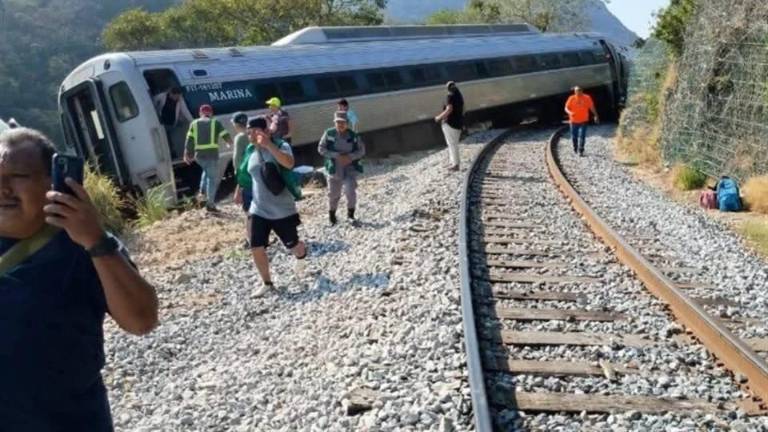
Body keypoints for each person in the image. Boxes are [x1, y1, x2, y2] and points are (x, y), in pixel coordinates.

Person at [0, 128, 158, 430]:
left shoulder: (83, 243)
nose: (2, 188)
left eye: (18, 176)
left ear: (54, 182)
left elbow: (142, 320)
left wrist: (95, 240)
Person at [245, 116, 307, 296]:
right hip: (258, 208)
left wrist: (268, 145)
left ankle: (301, 256)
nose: (250, 136)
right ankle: (267, 283)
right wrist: (240, 189)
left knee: (293, 245)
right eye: (248, 133)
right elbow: (248, 173)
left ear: (264, 131)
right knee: (256, 245)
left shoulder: (280, 145)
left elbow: (289, 163)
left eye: (253, 132)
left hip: (282, 209)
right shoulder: (250, 150)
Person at [318, 111, 365, 226]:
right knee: (333, 194)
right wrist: (336, 156)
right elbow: (321, 149)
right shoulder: (329, 133)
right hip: (334, 168)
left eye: (343, 122)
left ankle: (350, 215)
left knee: (350, 191)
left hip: (349, 168)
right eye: (338, 122)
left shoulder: (354, 136)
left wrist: (350, 157)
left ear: (347, 123)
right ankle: (332, 216)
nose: (340, 124)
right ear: (334, 123)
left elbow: (362, 151)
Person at [184, 104, 232, 212]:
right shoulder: (215, 122)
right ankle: (210, 204)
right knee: (212, 179)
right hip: (212, 155)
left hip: (199, 156)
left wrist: (187, 154)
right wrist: (230, 143)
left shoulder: (194, 123)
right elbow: (226, 135)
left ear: (200, 113)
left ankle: (202, 191)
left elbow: (189, 140)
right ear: (211, 113)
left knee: (206, 171)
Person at [231, 111, 253, 248]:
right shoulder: (254, 134)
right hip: (258, 176)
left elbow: (238, 163)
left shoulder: (240, 137)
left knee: (249, 211)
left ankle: (251, 240)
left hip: (246, 178)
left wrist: (238, 186)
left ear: (236, 124)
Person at [153, 87, 193, 159]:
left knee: (170, 140)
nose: (178, 98)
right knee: (164, 140)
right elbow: (152, 103)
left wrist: (193, 122)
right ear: (171, 94)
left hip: (171, 123)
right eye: (177, 96)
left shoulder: (180, 100)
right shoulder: (162, 96)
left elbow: (185, 111)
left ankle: (172, 154)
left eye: (179, 96)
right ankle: (166, 156)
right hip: (162, 123)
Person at [434, 81, 464, 171]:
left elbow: (449, 109)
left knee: (452, 144)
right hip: (458, 124)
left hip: (450, 123)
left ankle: (455, 165)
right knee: (453, 144)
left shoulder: (449, 96)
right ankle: (453, 163)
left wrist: (438, 117)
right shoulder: (459, 97)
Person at [564, 86, 599, 156]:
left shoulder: (587, 98)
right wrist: (570, 113)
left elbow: (591, 107)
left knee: (582, 136)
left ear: (582, 91)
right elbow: (566, 108)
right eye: (576, 91)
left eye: (579, 90)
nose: (578, 92)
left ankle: (581, 150)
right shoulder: (571, 98)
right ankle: (575, 148)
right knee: (574, 136)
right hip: (573, 121)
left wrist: (596, 115)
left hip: (584, 120)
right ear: (574, 91)